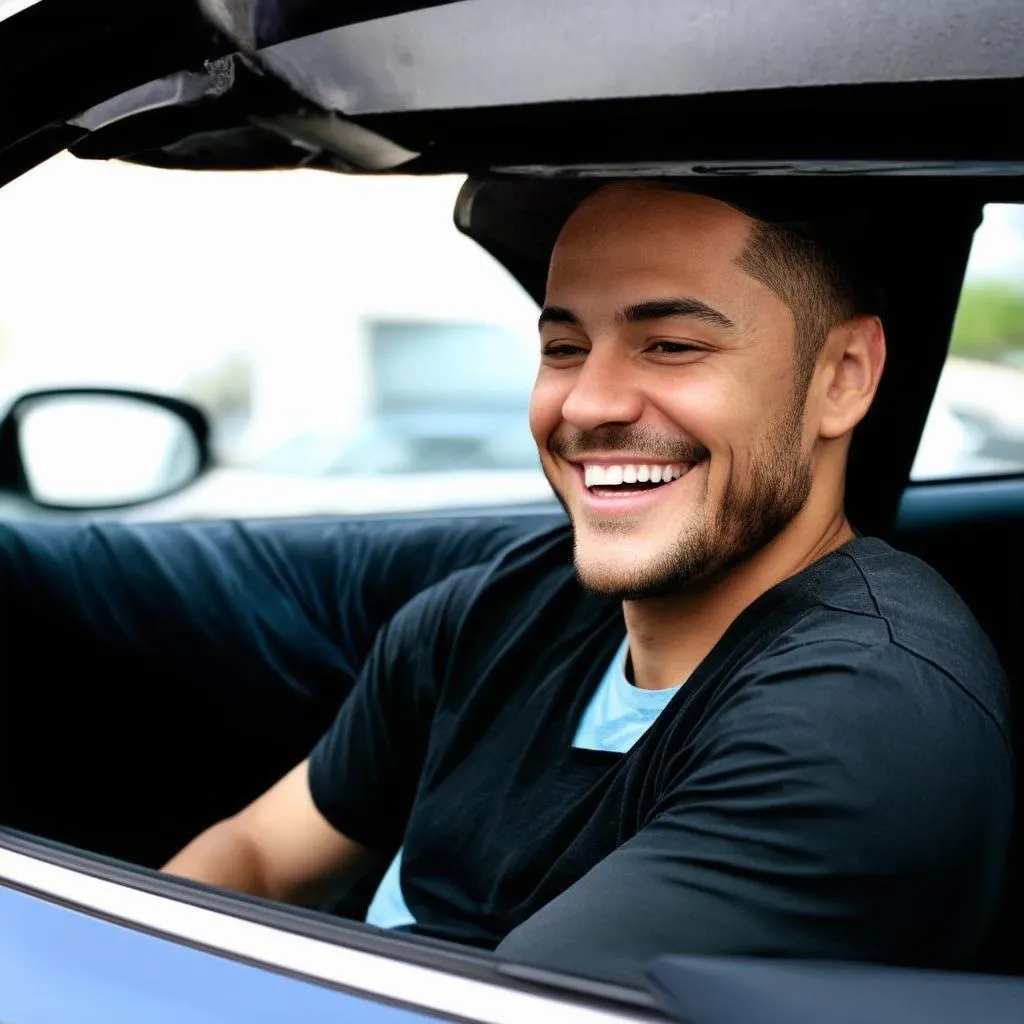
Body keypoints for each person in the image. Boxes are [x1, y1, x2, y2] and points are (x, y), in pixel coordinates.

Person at [163, 181, 1013, 985]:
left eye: (673, 345)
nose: (585, 401)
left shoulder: (864, 716)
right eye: (564, 347)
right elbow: (258, 857)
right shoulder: (495, 611)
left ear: (844, 377)